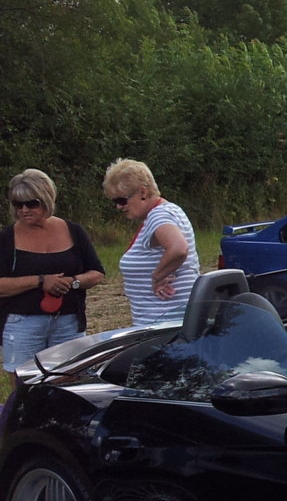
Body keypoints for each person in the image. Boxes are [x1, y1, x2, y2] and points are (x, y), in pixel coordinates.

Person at [1, 170, 106, 380]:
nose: (24, 210)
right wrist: (40, 281)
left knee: (70, 383)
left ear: (47, 200)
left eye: (31, 203)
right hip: (22, 324)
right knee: (26, 387)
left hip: (68, 322)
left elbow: (97, 273)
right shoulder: (7, 238)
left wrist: (73, 282)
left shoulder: (74, 231)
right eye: (17, 205)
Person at [104, 158, 201, 328]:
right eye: (115, 202)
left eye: (121, 200)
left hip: (164, 324)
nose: (119, 207)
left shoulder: (159, 216)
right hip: (170, 320)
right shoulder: (170, 210)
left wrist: (158, 276)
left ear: (143, 192)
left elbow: (178, 248)